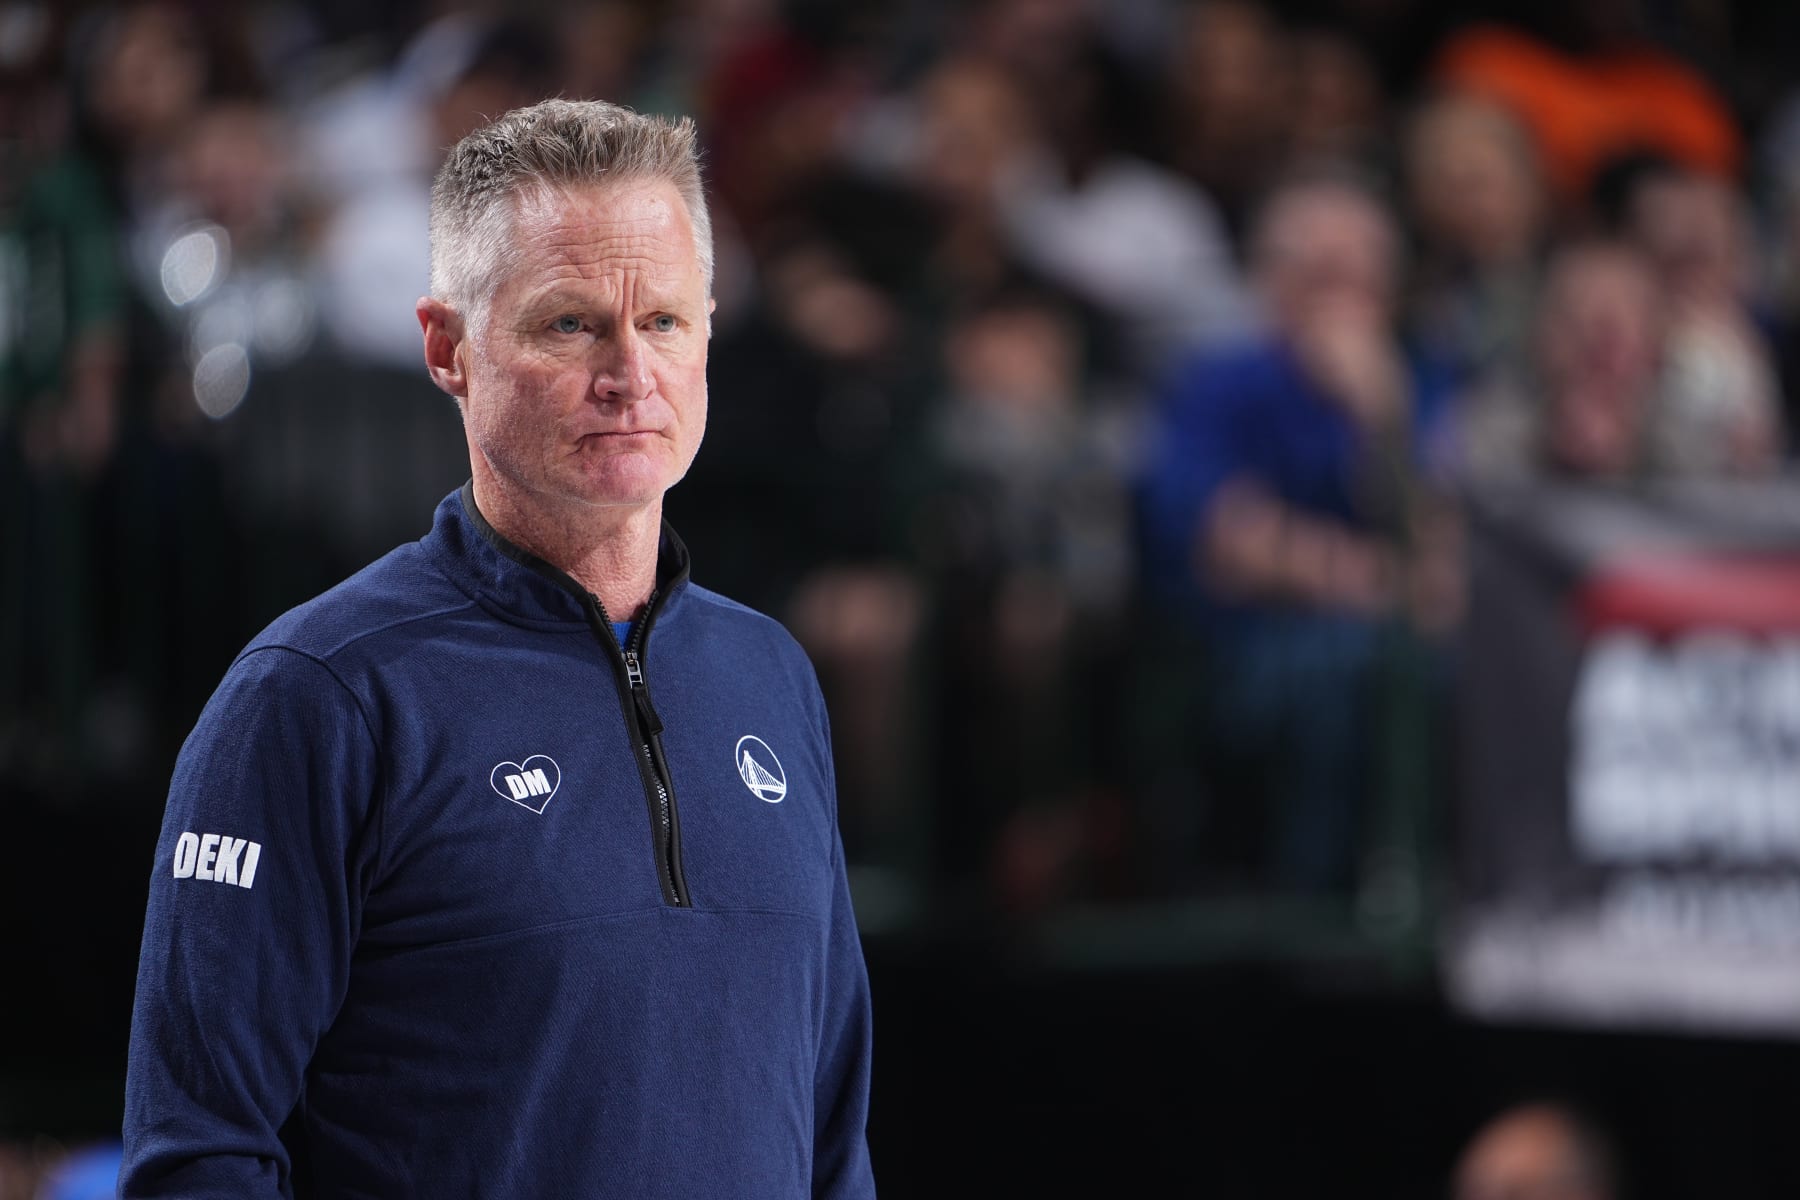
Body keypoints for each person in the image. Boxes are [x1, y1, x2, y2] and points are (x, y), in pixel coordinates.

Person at [119, 99, 876, 1199]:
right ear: (448, 348)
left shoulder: (771, 678)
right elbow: (201, 1161)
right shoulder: (318, 698)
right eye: (571, 324)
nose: (630, 372)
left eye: (663, 320)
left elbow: (831, 1142)